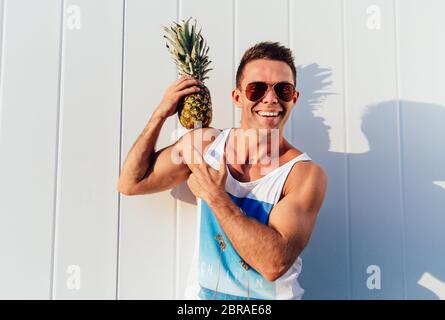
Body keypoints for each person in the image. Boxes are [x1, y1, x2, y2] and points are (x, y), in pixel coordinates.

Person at [117, 41, 328, 300]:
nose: (271, 98)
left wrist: (216, 196)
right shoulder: (206, 146)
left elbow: (274, 264)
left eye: (283, 90)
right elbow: (131, 183)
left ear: (294, 98)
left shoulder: (303, 174)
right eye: (257, 88)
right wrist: (160, 114)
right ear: (238, 97)